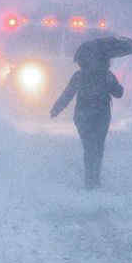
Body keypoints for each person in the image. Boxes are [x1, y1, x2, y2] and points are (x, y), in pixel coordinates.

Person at [50, 52, 124, 188]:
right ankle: (95, 178)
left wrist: (56, 109)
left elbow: (68, 94)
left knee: (89, 147)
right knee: (98, 146)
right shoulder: (107, 75)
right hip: (101, 116)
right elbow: (119, 93)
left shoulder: (79, 75)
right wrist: (115, 85)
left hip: (83, 116)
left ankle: (90, 179)